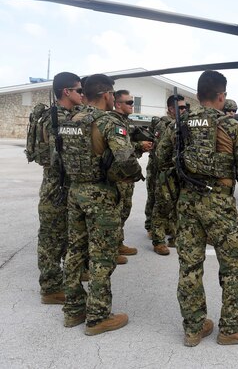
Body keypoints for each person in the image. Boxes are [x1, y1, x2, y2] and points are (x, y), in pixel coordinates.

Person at [175, 70, 238, 347]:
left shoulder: (179, 124)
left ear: (198, 94)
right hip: (220, 204)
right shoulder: (232, 127)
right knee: (233, 265)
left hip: (187, 203)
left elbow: (163, 163)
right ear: (221, 96)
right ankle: (232, 327)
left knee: (189, 265)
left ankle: (193, 327)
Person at [60, 74, 143, 335]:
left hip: (74, 192)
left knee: (75, 250)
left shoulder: (70, 120)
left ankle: (74, 310)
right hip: (99, 194)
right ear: (107, 94)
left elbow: (56, 156)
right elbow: (125, 156)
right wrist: (132, 175)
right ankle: (97, 316)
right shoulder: (107, 121)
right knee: (102, 254)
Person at [34, 72, 84, 304]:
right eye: (80, 91)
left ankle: (67, 275)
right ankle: (51, 288)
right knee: (52, 238)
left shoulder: (60, 115)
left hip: (60, 185)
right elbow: (65, 157)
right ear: (67, 92)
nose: (83, 95)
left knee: (64, 234)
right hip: (56, 188)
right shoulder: (59, 119)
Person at [112, 90, 152, 262]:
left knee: (124, 210)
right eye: (128, 102)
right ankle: (111, 249)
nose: (132, 105)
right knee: (116, 212)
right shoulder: (113, 122)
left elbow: (127, 144)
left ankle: (118, 243)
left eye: (132, 102)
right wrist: (139, 146)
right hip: (119, 174)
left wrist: (140, 145)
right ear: (118, 104)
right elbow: (119, 150)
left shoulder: (126, 122)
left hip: (127, 175)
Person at [150, 95, 188, 255]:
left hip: (182, 173)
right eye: (180, 108)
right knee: (162, 206)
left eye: (185, 107)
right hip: (168, 171)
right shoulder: (170, 125)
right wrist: (166, 170)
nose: (184, 110)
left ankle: (174, 237)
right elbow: (160, 152)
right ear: (171, 109)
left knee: (179, 206)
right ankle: (158, 241)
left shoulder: (185, 124)